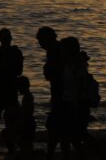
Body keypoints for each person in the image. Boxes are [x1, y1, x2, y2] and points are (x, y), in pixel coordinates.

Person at [0, 27, 24, 150]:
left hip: (3, 87)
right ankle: (3, 142)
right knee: (5, 117)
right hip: (5, 87)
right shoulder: (14, 52)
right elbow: (19, 71)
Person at [36, 26, 64, 158]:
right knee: (60, 128)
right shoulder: (55, 49)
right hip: (60, 94)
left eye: (40, 40)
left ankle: (51, 154)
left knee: (54, 126)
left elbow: (55, 74)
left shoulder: (55, 51)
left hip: (62, 94)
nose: (39, 43)